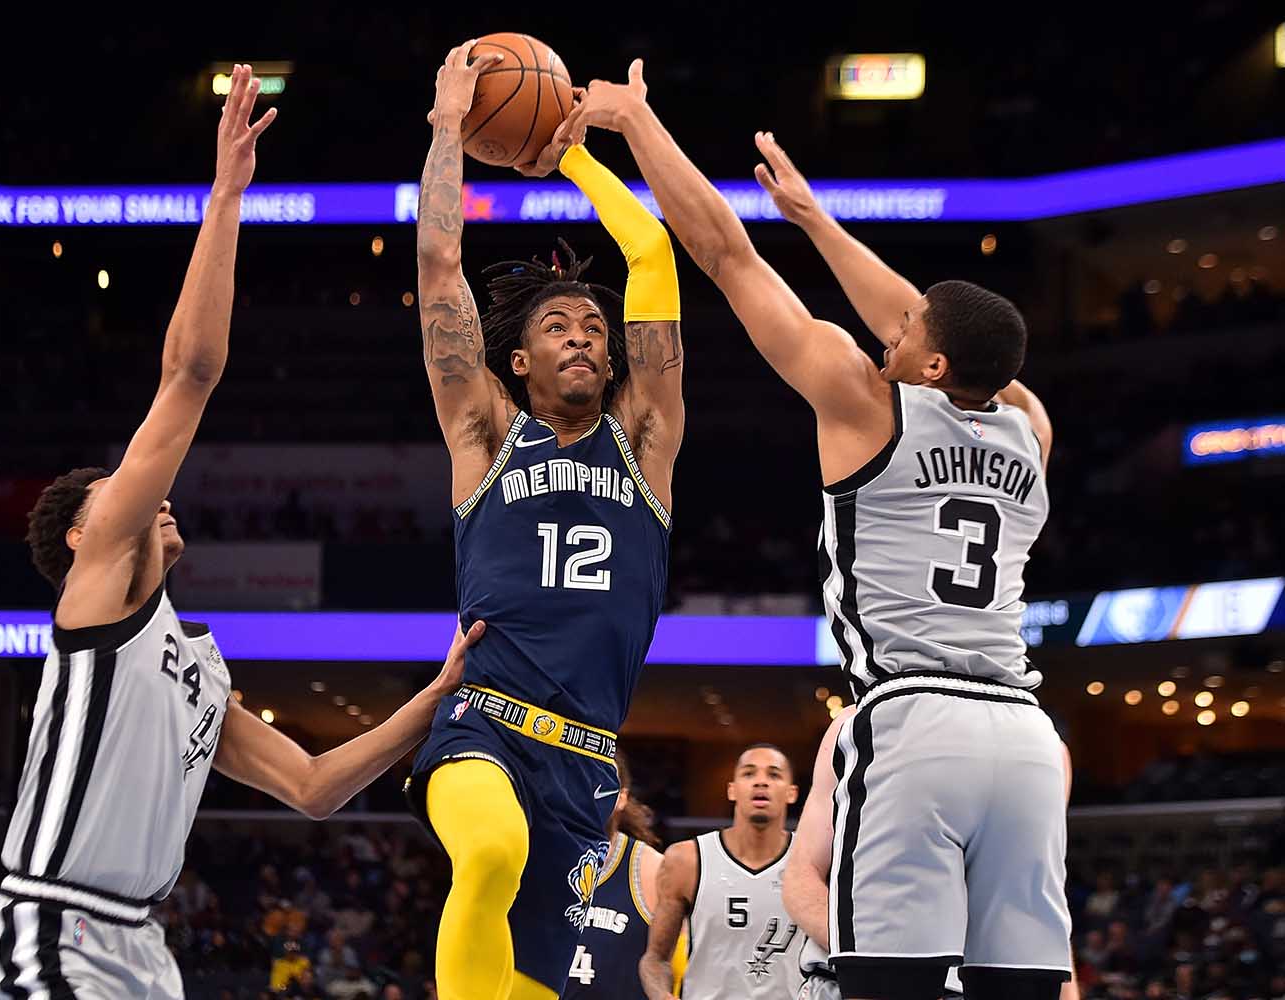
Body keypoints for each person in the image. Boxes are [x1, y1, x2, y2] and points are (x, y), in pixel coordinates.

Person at [0, 65, 486, 1000]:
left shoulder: (197, 670)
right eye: (114, 497)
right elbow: (190, 375)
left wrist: (439, 690)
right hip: (51, 924)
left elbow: (317, 787)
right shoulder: (100, 595)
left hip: (144, 950)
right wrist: (225, 199)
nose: (144, 499)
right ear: (85, 540)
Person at [571, 61, 1069, 1000]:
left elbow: (724, 254)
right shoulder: (1030, 429)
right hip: (1027, 738)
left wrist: (637, 124)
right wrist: (814, 218)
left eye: (910, 320)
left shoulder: (864, 401)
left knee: (887, 984)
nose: (893, 317)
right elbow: (947, 336)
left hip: (914, 721)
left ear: (929, 357)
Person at [405, 40, 685, 1000]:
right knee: (485, 855)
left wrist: (572, 151)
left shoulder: (644, 441)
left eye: (595, 330)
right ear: (516, 362)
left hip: (587, 766)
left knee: (536, 984)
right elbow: (440, 262)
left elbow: (649, 250)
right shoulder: (485, 435)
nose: (581, 337)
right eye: (556, 328)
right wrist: (449, 131)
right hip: (481, 725)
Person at [787, 708, 1080, 1000]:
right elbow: (801, 878)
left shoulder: (1045, 747)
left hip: (965, 985)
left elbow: (1037, 900)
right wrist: (897, 965)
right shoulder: (860, 721)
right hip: (855, 978)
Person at [639, 745, 801, 1000]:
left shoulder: (813, 861)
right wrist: (661, 995)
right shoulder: (686, 860)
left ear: (792, 793)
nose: (761, 782)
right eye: (749, 774)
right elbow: (655, 960)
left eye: (774, 775)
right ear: (732, 790)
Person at [564, 749, 684, 999]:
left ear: (621, 798)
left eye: (601, 779)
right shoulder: (538, 859)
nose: (591, 789)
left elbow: (682, 961)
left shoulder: (650, 868)